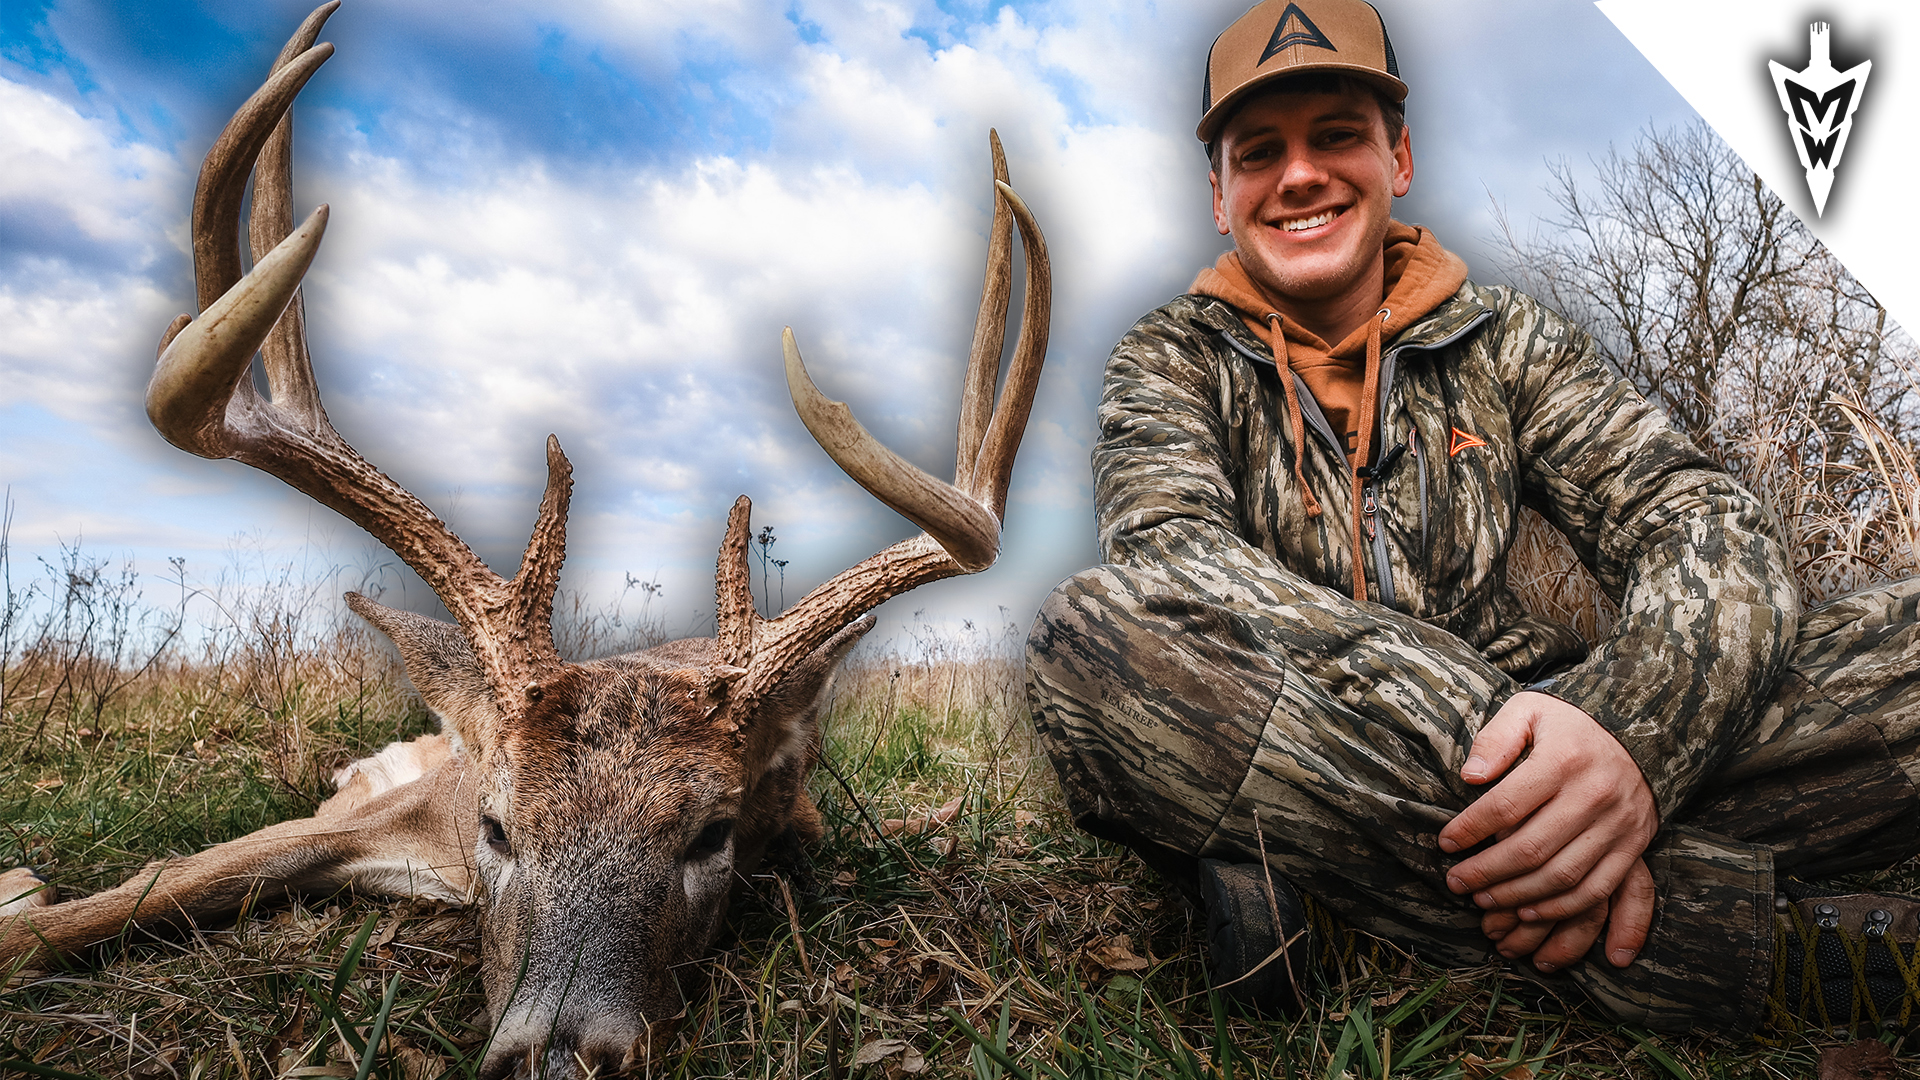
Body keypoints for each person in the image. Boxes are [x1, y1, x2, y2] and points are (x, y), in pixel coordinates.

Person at [1025, 0, 1920, 1035]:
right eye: (1260, 152)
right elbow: (1169, 561)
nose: (1301, 174)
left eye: (1339, 135)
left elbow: (1694, 516)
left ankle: (1347, 904)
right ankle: (1755, 951)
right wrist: (1479, 722)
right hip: (1331, 735)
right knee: (1088, 639)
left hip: (1527, 728)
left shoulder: (1512, 343)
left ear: (1397, 157)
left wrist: (1629, 733)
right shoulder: (1167, 358)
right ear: (1220, 196)